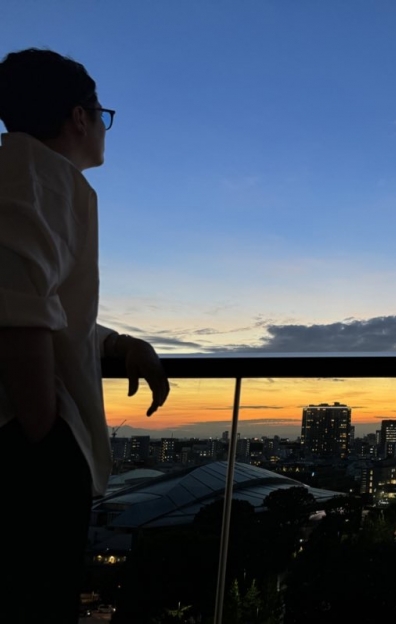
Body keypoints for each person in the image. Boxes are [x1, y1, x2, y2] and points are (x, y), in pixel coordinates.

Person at [0, 48, 170, 623]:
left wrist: (118, 345)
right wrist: (43, 430)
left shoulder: (36, 178)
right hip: (26, 453)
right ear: (80, 116)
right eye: (104, 115)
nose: (104, 130)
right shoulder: (31, 177)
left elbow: (48, 307)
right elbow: (18, 306)